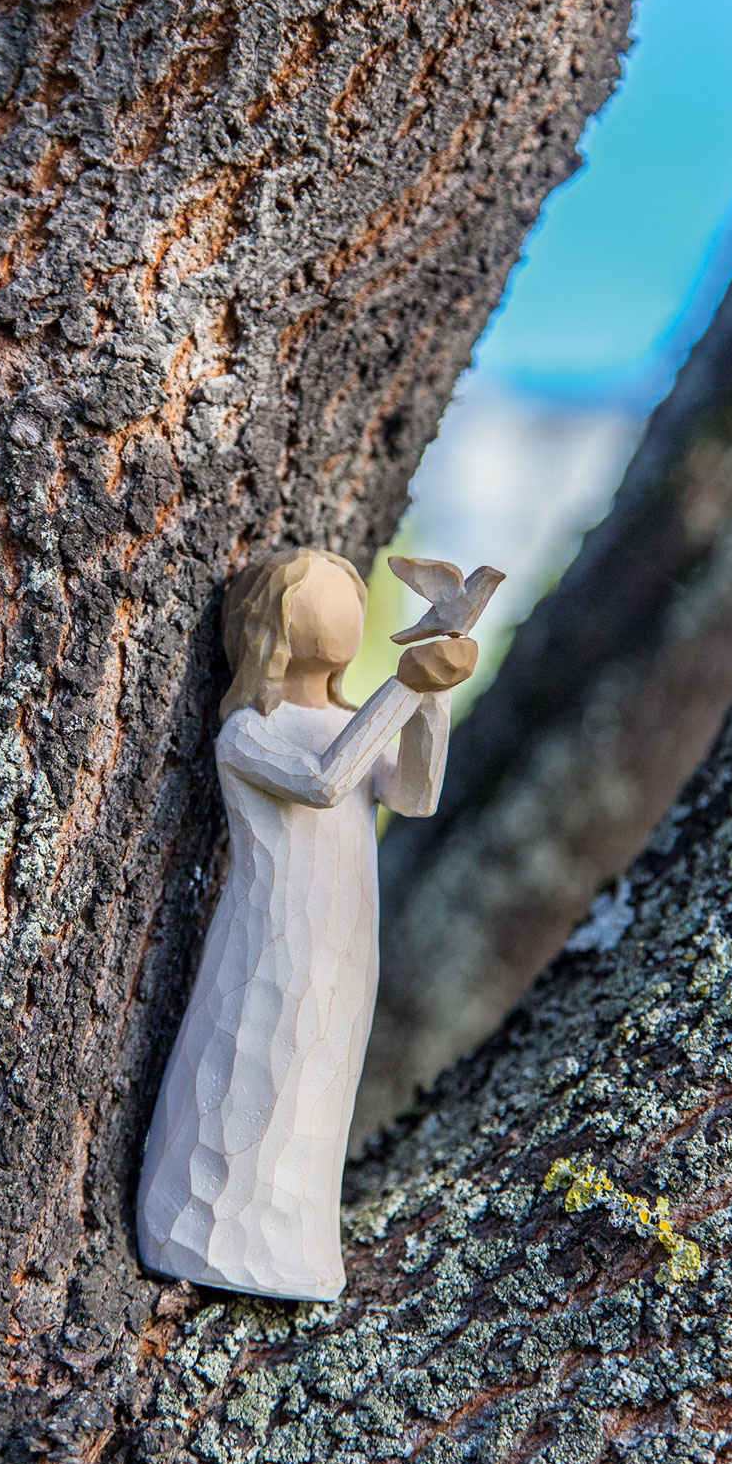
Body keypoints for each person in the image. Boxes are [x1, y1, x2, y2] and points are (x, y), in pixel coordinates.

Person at [137, 547, 477, 1300]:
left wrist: (434, 697)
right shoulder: (248, 733)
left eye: (349, 600)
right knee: (253, 1063)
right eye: (321, 600)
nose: (345, 616)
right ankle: (202, 1231)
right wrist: (405, 686)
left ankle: (293, 1247)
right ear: (272, 622)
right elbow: (324, 782)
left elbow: (414, 795)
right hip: (271, 936)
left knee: (319, 1079)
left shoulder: (353, 720)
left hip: (345, 937)